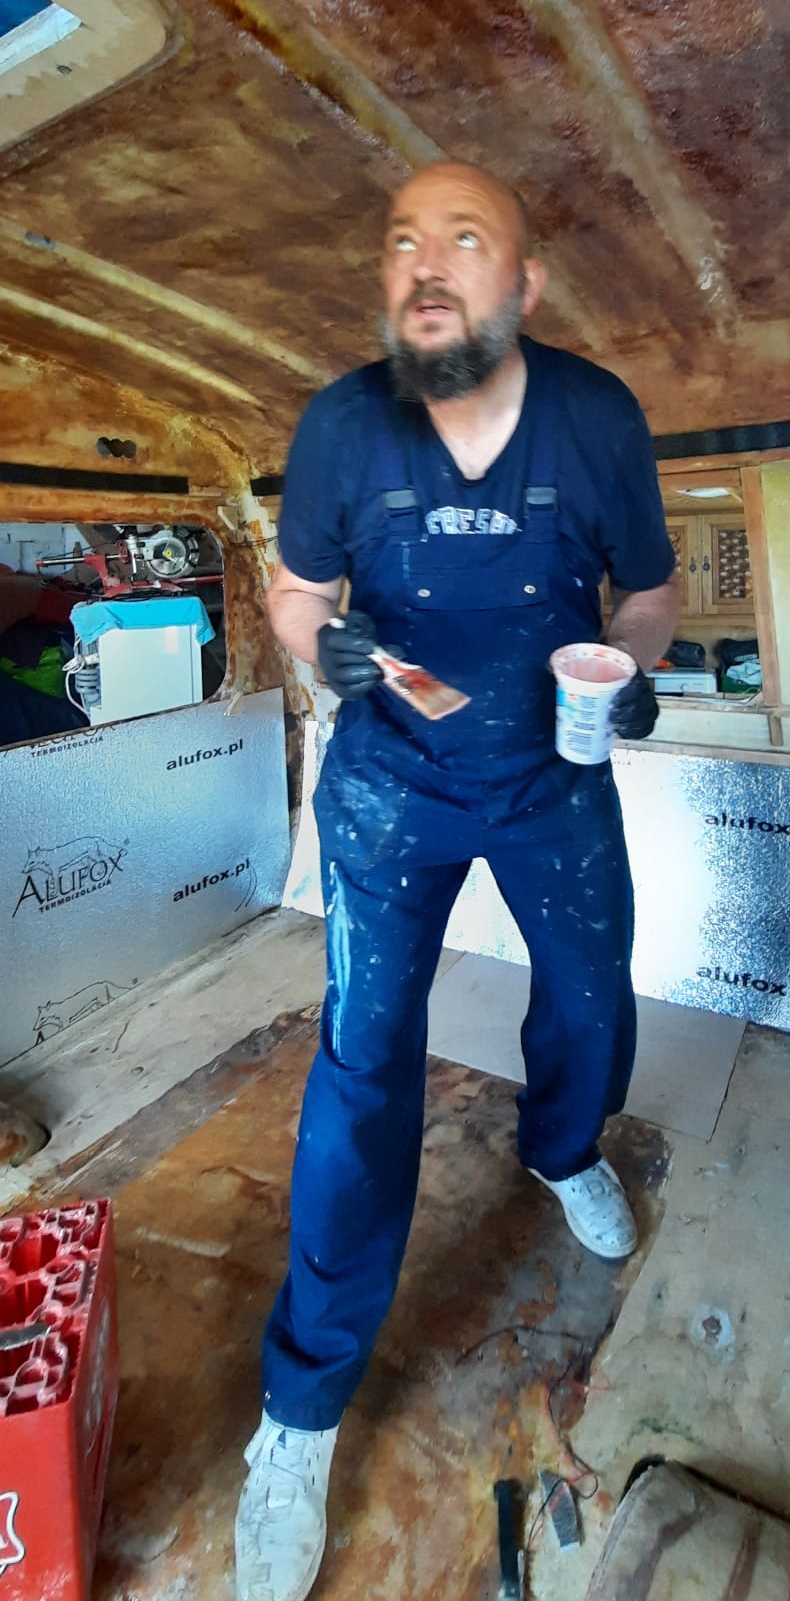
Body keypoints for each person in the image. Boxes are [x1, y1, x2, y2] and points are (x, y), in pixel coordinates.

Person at [235, 161, 680, 1601]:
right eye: (403, 241)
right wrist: (321, 648)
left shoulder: (598, 418)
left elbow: (651, 595)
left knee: (592, 999)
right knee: (364, 1059)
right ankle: (302, 1412)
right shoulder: (339, 427)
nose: (426, 264)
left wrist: (632, 677)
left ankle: (564, 1149)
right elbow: (296, 594)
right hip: (390, 786)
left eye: (465, 239)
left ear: (522, 285)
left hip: (551, 771)